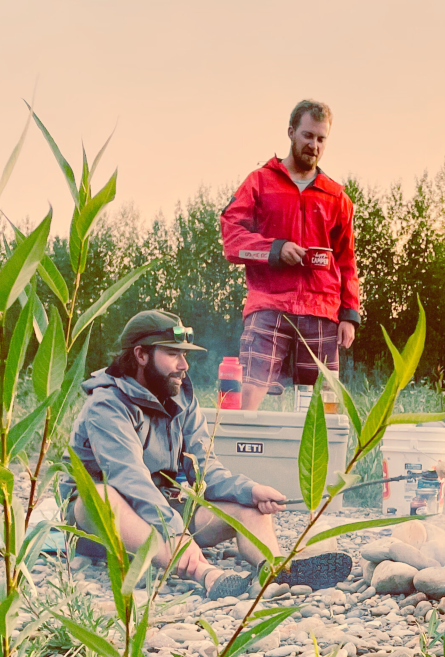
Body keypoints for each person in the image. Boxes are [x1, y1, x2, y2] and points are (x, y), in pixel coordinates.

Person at [60, 310, 353, 597]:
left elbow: (204, 469)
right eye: (173, 354)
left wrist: (249, 490)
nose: (184, 364)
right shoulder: (107, 405)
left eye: (184, 355)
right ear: (141, 355)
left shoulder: (180, 398)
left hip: (159, 509)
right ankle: (207, 575)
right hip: (100, 523)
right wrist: (176, 533)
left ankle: (274, 571)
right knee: (100, 496)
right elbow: (128, 478)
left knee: (247, 505)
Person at [220, 99, 360, 410]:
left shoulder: (337, 197)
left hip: (322, 309)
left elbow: (347, 261)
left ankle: (312, 459)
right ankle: (241, 454)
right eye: (308, 135)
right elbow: (231, 235)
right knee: (250, 390)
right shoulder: (259, 182)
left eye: (321, 139)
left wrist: (349, 315)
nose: (314, 145)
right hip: (268, 304)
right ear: (291, 132)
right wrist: (274, 249)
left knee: (321, 403)